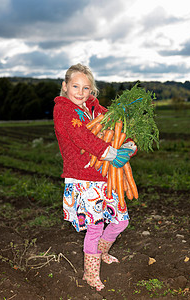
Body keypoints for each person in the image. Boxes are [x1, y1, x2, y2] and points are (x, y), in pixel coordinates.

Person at [53, 63, 136, 291]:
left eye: (86, 88)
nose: (80, 92)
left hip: (106, 177)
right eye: (75, 86)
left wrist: (129, 145)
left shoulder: (96, 110)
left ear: (92, 90)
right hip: (84, 180)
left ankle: (102, 253)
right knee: (95, 226)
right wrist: (111, 153)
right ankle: (90, 274)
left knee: (121, 221)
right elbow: (82, 136)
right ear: (65, 86)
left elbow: (117, 130)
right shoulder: (63, 110)